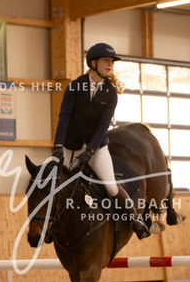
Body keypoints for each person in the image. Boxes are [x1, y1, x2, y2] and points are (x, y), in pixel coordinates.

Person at [52, 43, 150, 239]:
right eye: (106, 60)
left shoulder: (110, 93)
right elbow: (64, 117)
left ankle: (135, 220)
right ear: (93, 63)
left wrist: (90, 151)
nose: (110, 64)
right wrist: (58, 146)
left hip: (96, 148)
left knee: (111, 186)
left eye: (112, 61)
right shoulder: (75, 86)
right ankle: (50, 226)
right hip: (70, 147)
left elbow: (103, 125)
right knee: (57, 185)